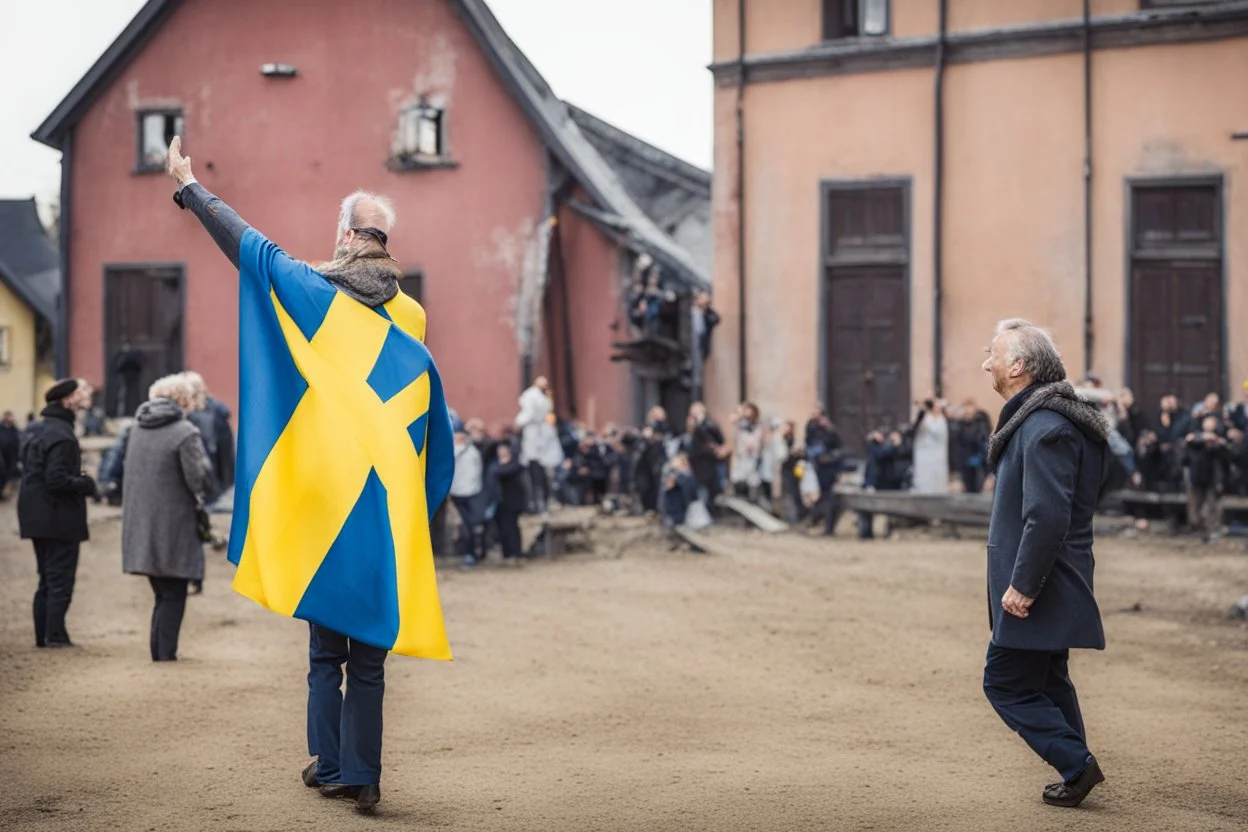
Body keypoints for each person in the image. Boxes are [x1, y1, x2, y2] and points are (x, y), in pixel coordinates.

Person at [166, 136, 432, 813]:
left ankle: (332, 763)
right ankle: (365, 774)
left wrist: (192, 186)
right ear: (385, 242)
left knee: (325, 656)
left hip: (324, 503)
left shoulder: (313, 292)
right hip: (382, 504)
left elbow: (250, 246)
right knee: (370, 658)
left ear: (346, 234)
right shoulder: (412, 315)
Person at [980, 318, 1110, 808]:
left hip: (1040, 585)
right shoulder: (1052, 420)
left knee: (1005, 682)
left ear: (1018, 366)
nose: (985, 363)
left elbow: (1048, 515)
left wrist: (1025, 585)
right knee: (1048, 677)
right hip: (1049, 580)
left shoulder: (1044, 427)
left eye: (993, 354)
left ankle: (1076, 762)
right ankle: (1077, 770)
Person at [121, 374, 212, 661]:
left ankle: (160, 650)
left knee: (161, 593)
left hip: (142, 522)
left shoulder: (136, 428)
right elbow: (197, 478)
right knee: (173, 593)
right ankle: (164, 654)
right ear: (182, 400)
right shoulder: (185, 432)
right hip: (174, 523)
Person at [18, 379, 97, 648]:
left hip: (35, 515)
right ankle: (55, 634)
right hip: (58, 517)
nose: (86, 397)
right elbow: (57, 480)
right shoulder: (63, 436)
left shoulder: (36, 430)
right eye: (80, 393)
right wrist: (86, 483)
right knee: (60, 577)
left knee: (46, 577)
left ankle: (45, 634)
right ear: (66, 401)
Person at [1183, 414, 1227, 541]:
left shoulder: (1219, 439)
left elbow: (1223, 459)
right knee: (1195, 508)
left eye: (1213, 421)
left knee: (1212, 507)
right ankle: (1198, 531)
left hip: (1213, 477)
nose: (1210, 423)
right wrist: (1202, 438)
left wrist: (1215, 442)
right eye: (1208, 421)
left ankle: (1213, 531)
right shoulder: (1194, 438)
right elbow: (1188, 448)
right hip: (1197, 476)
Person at [515, 377, 554, 513]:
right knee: (537, 473)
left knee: (538, 474)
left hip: (537, 438)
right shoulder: (535, 397)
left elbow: (529, 415)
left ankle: (540, 503)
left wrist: (519, 423)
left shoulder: (537, 397)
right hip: (536, 438)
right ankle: (538, 503)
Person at [804, 405, 843, 534]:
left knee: (828, 497)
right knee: (823, 497)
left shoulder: (829, 430)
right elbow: (810, 442)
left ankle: (824, 524)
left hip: (829, 467)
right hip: (819, 466)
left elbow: (837, 446)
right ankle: (817, 520)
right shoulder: (812, 428)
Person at [450, 427, 486, 567]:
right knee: (468, 525)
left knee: (469, 525)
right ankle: (472, 552)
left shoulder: (468, 453)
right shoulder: (472, 452)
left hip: (463, 492)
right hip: (467, 492)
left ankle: (472, 553)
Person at [686, 402, 726, 505]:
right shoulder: (695, 425)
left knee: (707, 487)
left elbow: (717, 439)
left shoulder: (708, 424)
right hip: (697, 461)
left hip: (706, 461)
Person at [494, 443, 526, 561]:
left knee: (511, 528)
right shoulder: (495, 466)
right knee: (502, 529)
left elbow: (505, 472)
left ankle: (515, 553)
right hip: (499, 503)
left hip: (512, 503)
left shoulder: (515, 465)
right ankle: (506, 553)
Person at [911, 399, 950, 494]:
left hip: (938, 451)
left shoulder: (942, 419)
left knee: (938, 475)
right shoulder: (925, 418)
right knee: (925, 475)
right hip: (925, 451)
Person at [729, 402, 765, 502]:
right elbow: (736, 440)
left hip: (753, 456)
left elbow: (759, 440)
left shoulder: (758, 426)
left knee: (753, 479)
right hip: (742, 455)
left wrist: (753, 445)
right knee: (739, 478)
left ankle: (752, 499)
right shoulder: (740, 426)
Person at [0, 410, 21, 499]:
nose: (11, 418)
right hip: (2, 457)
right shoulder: (1, 429)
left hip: (12, 457)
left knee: (10, 476)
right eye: (9, 416)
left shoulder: (15, 430)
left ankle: (4, 493)